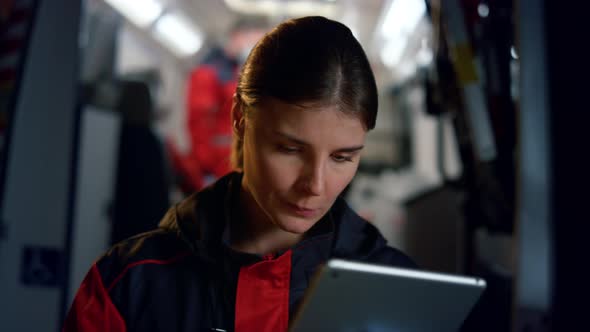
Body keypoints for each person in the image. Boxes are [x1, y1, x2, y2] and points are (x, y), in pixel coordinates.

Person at [63, 16, 416, 332]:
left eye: (342, 158)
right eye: (290, 150)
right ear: (239, 120)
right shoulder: (128, 284)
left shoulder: (402, 290)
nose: (316, 186)